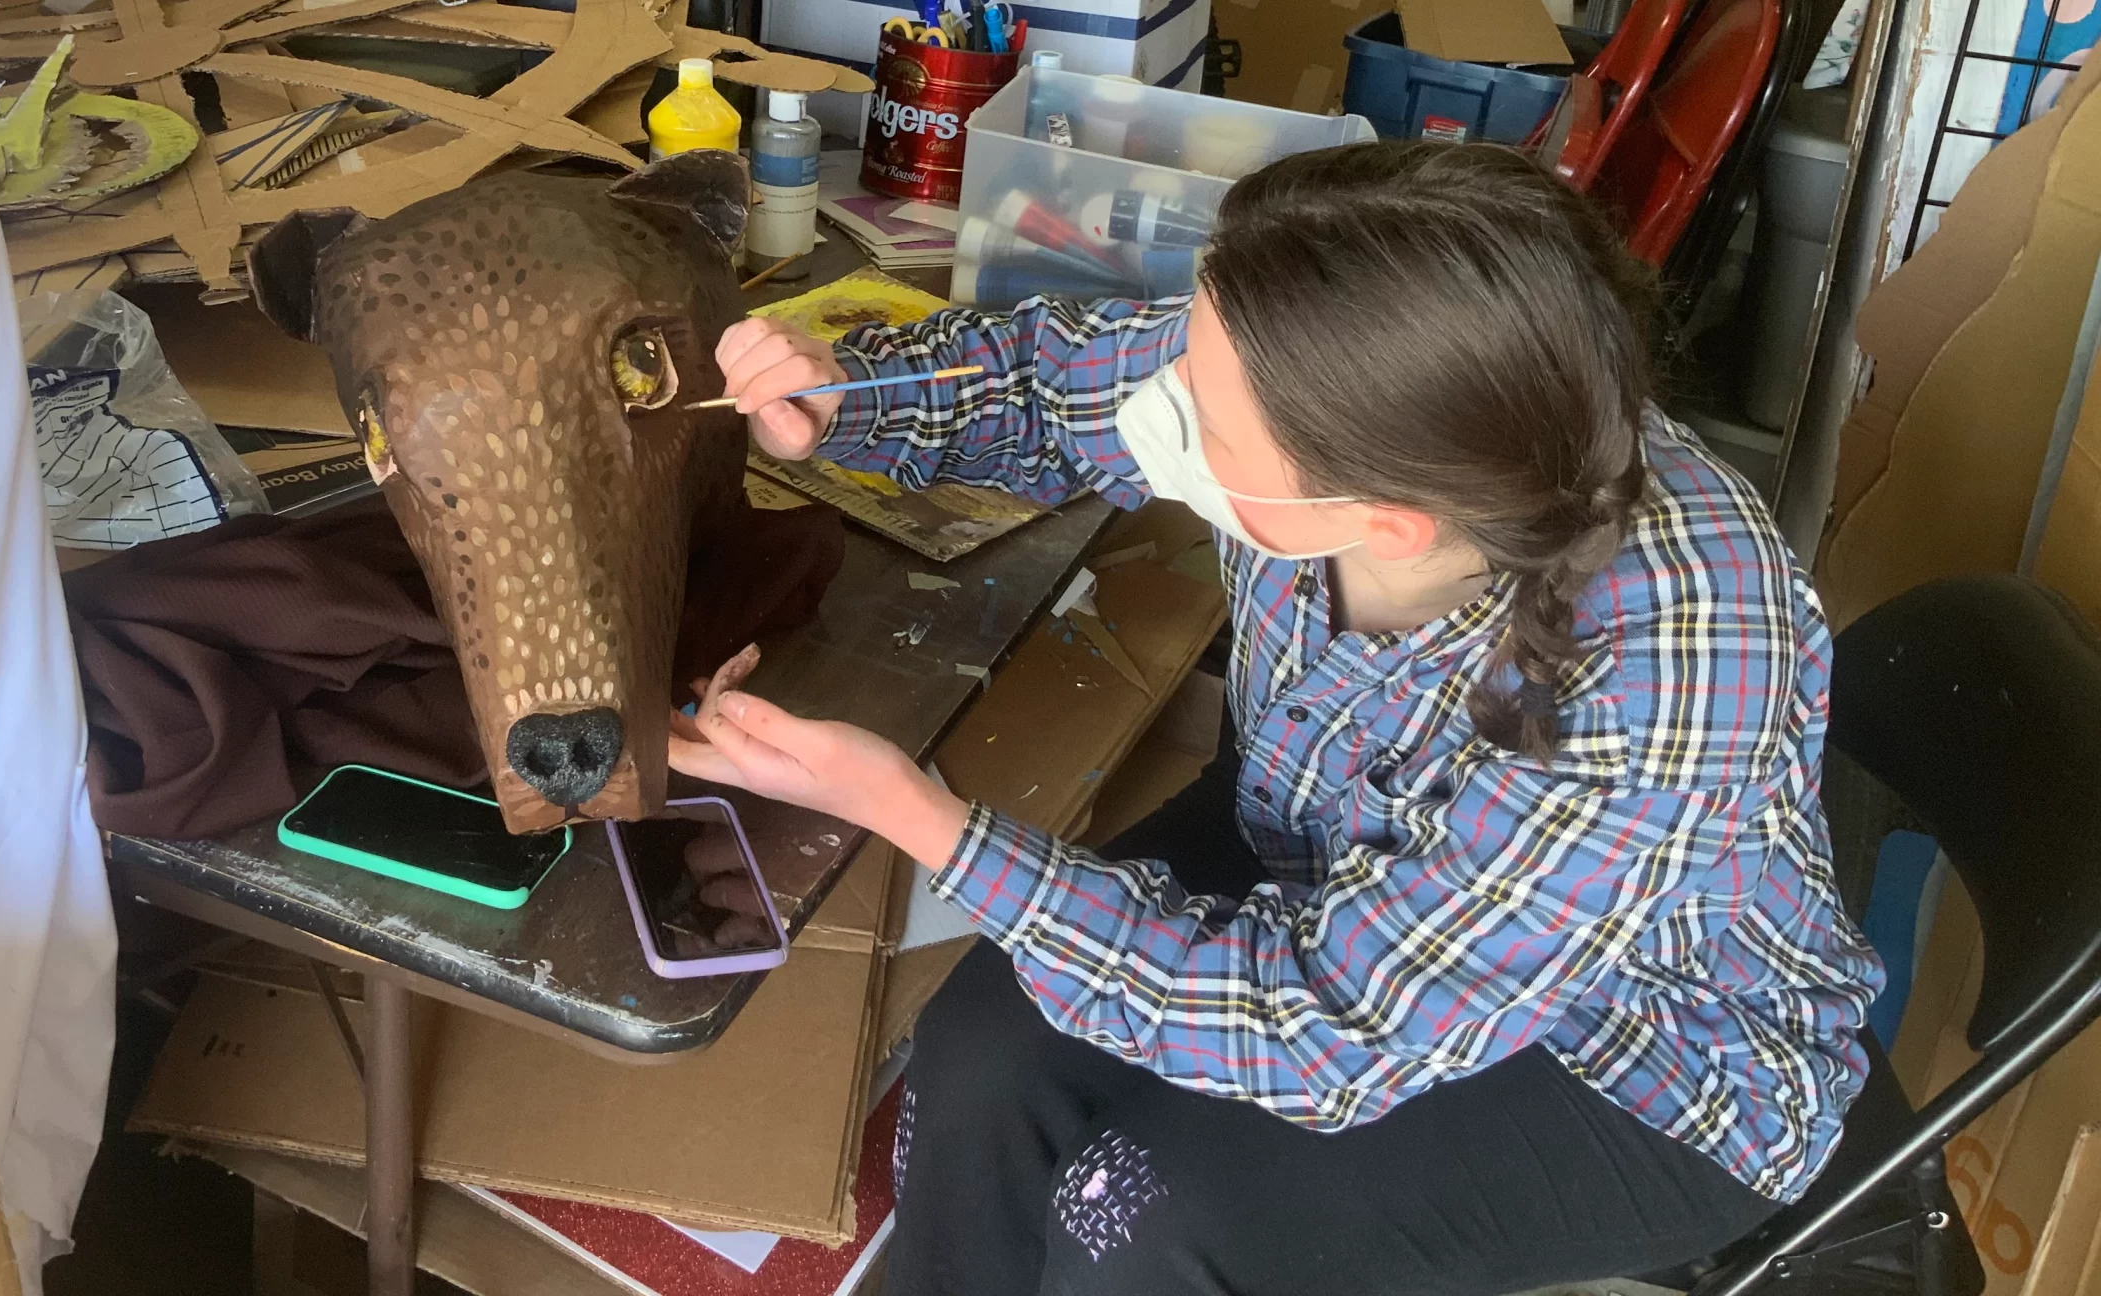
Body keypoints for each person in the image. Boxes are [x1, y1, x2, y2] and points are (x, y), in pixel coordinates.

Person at [670, 139, 1882, 1296]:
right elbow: (1067, 383)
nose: (1163, 406)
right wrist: (853, 395)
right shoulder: (1367, 388)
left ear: (1386, 525)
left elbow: (1328, 1027)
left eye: (1204, 417)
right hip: (1316, 830)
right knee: (982, 1048)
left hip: (1636, 1054)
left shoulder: (1664, 676)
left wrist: (918, 818)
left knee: (1146, 1219)